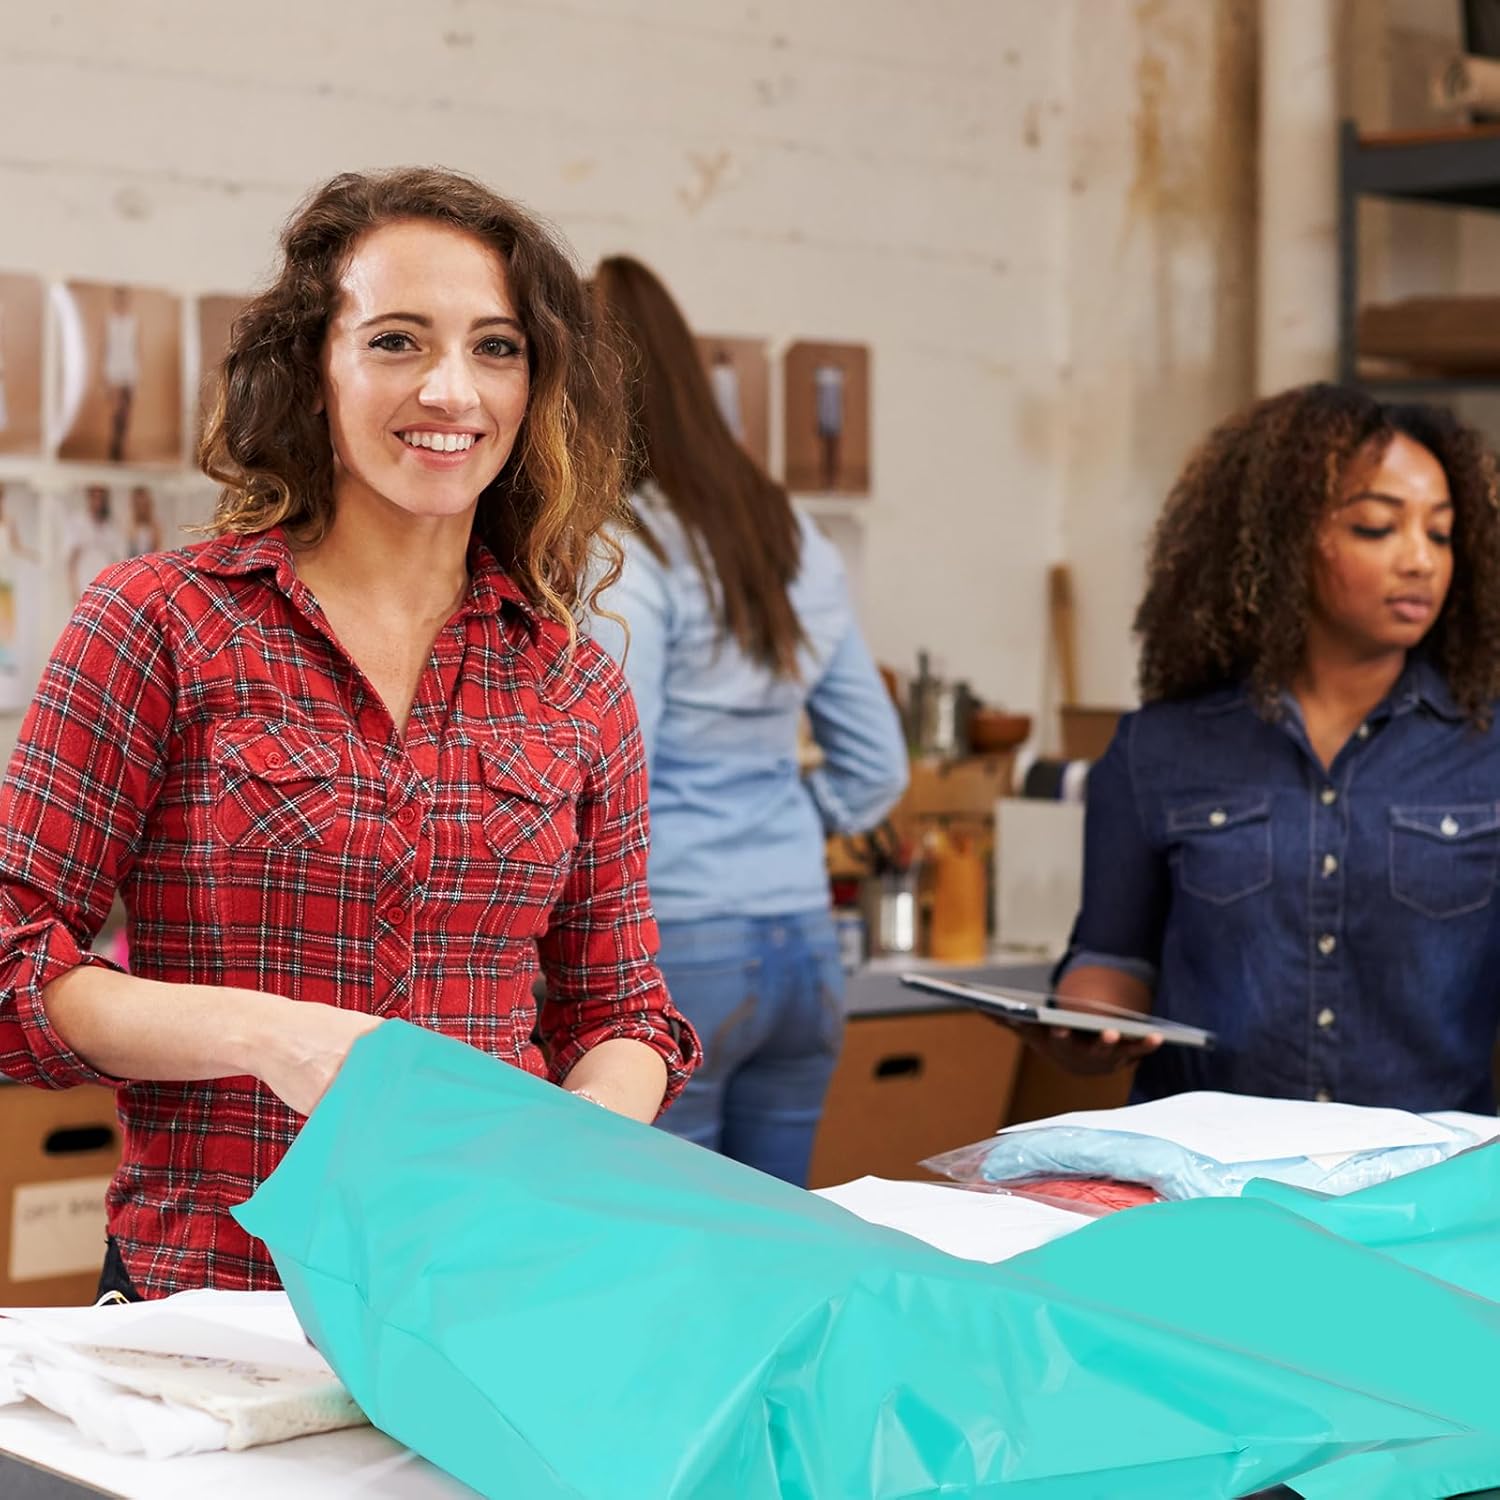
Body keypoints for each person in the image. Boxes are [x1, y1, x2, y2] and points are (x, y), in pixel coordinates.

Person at [0, 168, 700, 1301]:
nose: (451, 390)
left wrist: (576, 1139)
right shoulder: (160, 624)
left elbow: (622, 1012)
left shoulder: (575, 685)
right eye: (395, 341)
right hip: (215, 1294)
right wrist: (272, 1036)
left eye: (497, 348)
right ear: (313, 369)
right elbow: (11, 956)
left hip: (484, 1290)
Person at [1046, 382, 1500, 1114]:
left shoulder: (1487, 751)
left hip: (1432, 1172)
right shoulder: (1157, 750)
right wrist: (1087, 1023)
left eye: (1441, 534)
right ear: (1285, 538)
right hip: (1208, 1169)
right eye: (1378, 528)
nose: (1421, 560)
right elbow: (1110, 960)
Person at [588, 256, 907, 1186]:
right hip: (803, 942)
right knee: (773, 1234)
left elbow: (616, 766)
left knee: (670, 1234)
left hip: (685, 943)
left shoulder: (625, 544)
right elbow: (878, 767)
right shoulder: (791, 532)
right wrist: (785, 817)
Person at [63, 484, 127, 599]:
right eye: (95, 497)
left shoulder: (112, 525)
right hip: (84, 582)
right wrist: (73, 590)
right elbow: (71, 561)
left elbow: (118, 558)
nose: (98, 502)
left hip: (106, 585)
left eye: (101, 498)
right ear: (89, 498)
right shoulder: (78, 522)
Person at [103, 285, 140, 463]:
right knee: (116, 408)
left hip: (130, 368)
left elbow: (137, 348)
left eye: (124, 298)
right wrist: (104, 376)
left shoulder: (134, 321)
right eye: (119, 298)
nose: (121, 301)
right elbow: (104, 347)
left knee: (127, 410)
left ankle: (120, 444)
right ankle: (115, 447)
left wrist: (138, 374)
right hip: (113, 368)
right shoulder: (109, 321)